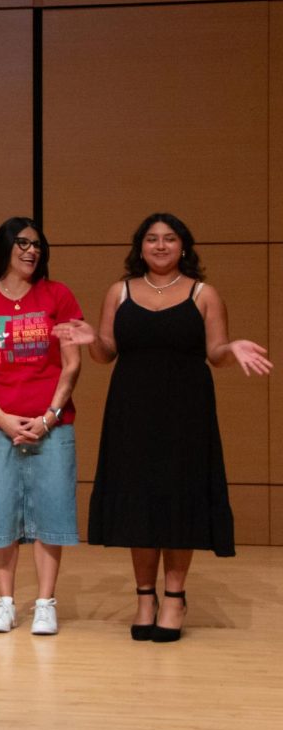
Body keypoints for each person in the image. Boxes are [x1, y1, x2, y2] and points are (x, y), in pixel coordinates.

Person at [55, 212, 272, 642]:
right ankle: (144, 597)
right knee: (138, 499)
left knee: (179, 498)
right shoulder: (118, 292)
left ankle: (174, 597)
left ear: (184, 246)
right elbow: (106, 352)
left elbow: (217, 353)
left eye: (169, 239)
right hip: (131, 410)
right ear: (140, 248)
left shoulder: (204, 294)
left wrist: (235, 347)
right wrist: (89, 340)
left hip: (186, 412)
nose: (160, 246)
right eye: (151, 239)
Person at [0, 217, 82, 636]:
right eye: (23, 243)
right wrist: (3, 420)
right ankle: (4, 602)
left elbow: (72, 363)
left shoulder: (58, 296)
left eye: (38, 245)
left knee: (52, 510)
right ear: (5, 247)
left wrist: (48, 418)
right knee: (0, 511)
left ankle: (45, 602)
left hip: (52, 426)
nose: (31, 251)